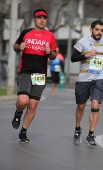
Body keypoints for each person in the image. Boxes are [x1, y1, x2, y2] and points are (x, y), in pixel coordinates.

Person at [11, 9, 57, 143]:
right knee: (23, 102)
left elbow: (53, 55)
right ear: (34, 19)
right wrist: (20, 47)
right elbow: (15, 46)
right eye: (39, 17)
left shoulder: (50, 36)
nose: (42, 20)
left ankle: (23, 131)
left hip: (40, 74)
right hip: (25, 72)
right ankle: (18, 113)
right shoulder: (26, 32)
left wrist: (49, 52)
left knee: (32, 105)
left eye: (44, 18)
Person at [71, 20, 103, 146]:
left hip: (99, 77)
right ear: (91, 30)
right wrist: (87, 55)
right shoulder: (83, 42)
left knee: (95, 105)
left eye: (101, 30)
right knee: (81, 107)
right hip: (84, 79)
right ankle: (78, 128)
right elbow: (73, 58)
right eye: (97, 30)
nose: (99, 32)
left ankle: (91, 134)